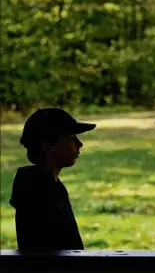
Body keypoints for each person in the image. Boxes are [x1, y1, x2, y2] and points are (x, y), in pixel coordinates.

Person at [9, 107, 96, 252]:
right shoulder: (39, 193)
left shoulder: (40, 184)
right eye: (72, 138)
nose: (80, 144)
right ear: (48, 145)